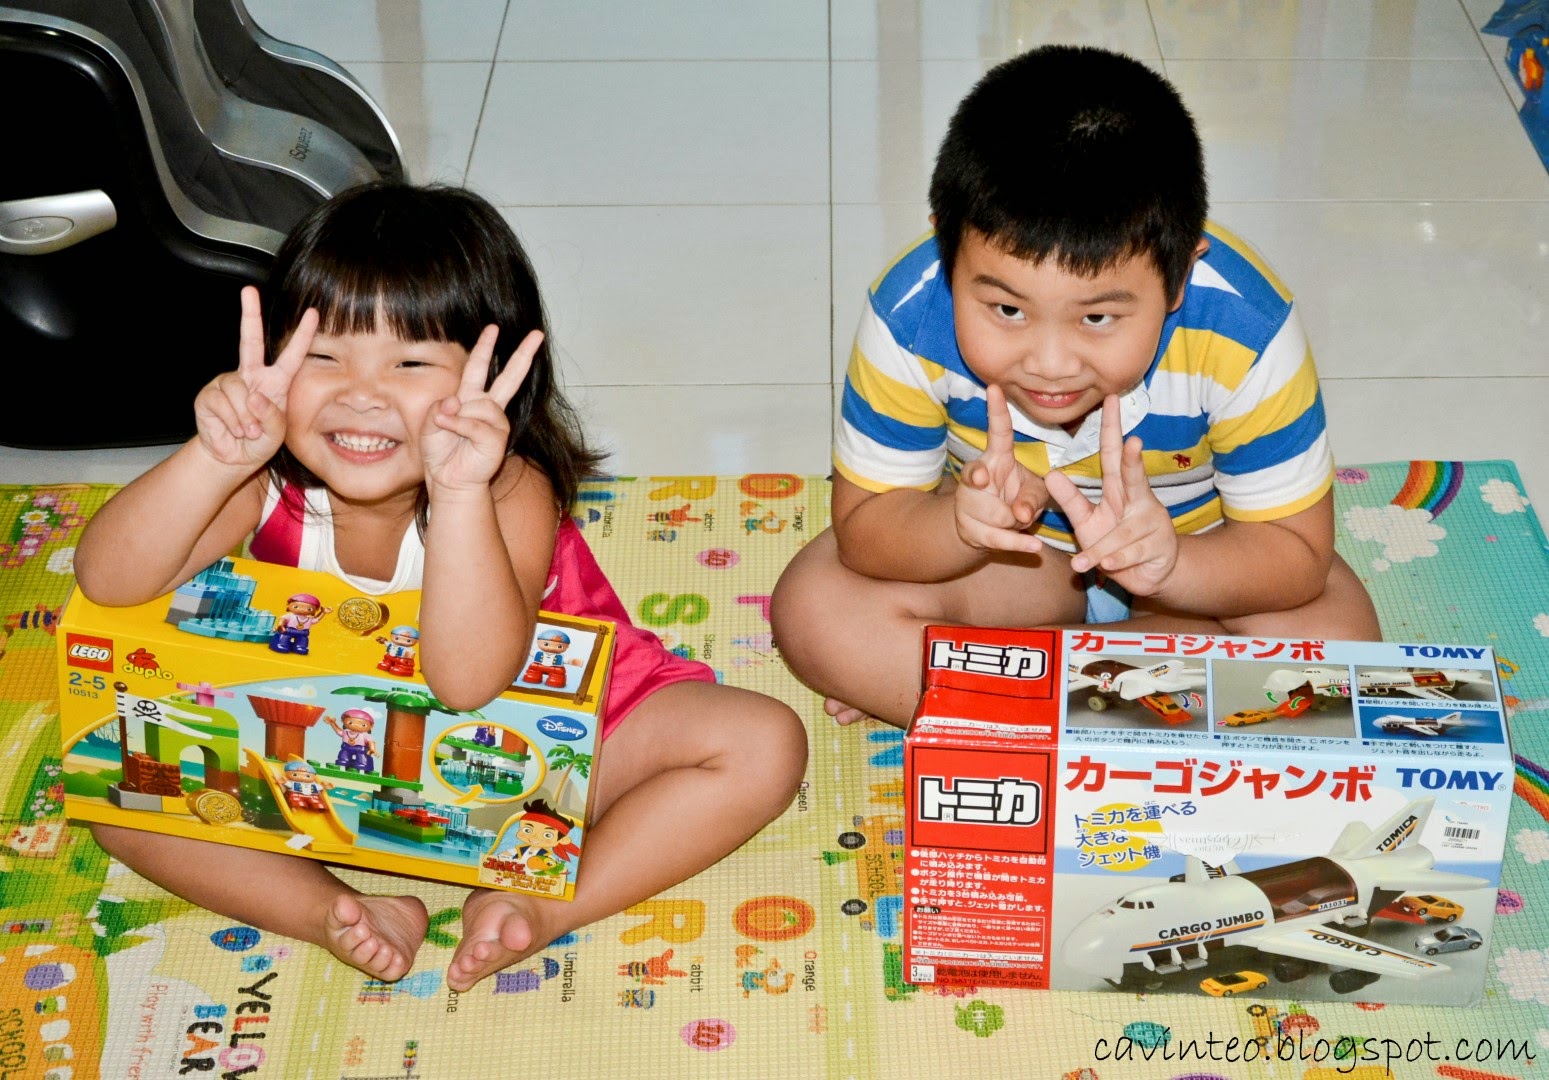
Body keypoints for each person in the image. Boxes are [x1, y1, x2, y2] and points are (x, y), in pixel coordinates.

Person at [74, 182, 807, 992]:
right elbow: (109, 580)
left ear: (490, 379)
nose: (361, 394)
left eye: (410, 363)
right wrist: (214, 456)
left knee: (762, 744)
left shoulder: (506, 488)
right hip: (332, 762)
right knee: (118, 790)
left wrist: (457, 494)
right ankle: (335, 910)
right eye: (322, 357)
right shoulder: (261, 481)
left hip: (547, 748)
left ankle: (542, 906)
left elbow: (467, 683)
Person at [770, 45, 1380, 728]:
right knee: (816, 610)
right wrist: (959, 527)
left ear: (1179, 277)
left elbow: (1295, 555)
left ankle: (986, 685)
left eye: (1097, 318)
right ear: (946, 254)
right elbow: (866, 529)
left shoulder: (1247, 328)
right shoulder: (909, 315)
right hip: (1015, 566)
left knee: (1339, 652)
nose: (1051, 363)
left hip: (1204, 561)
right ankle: (1155, 685)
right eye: (1007, 310)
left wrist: (1171, 567)